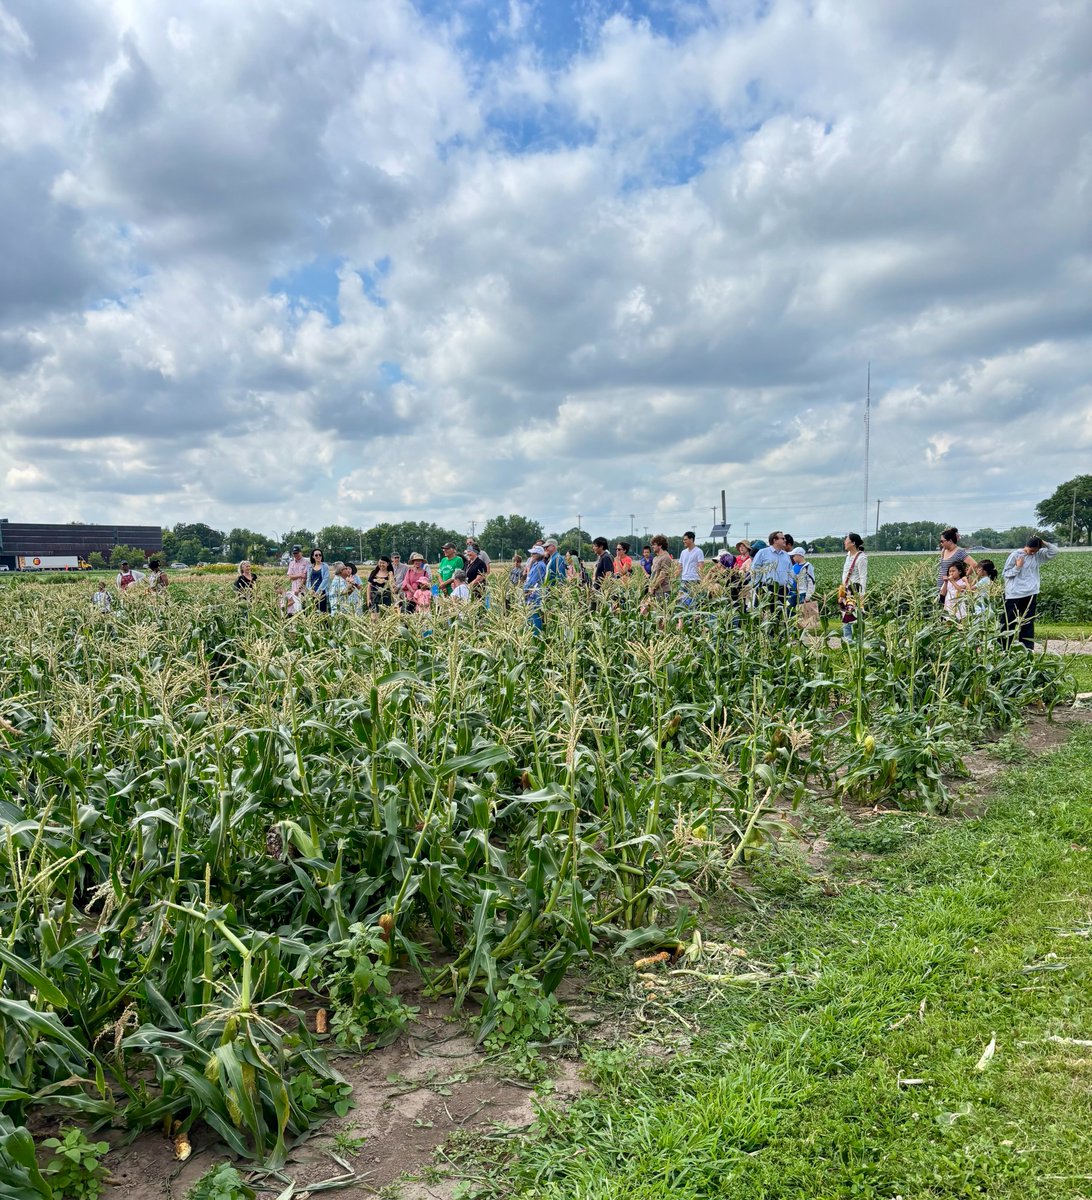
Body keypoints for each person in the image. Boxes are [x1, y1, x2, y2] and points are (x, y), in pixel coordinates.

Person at [1002, 536, 1058, 649]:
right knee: (1009, 622)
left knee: (1027, 622)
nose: (1032, 553)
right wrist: (1017, 568)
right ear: (1026, 546)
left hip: (1031, 593)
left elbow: (1054, 551)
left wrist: (1043, 542)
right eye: (1031, 550)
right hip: (1014, 594)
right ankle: (1004, 647)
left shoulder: (1037, 555)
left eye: (1035, 551)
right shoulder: (1015, 555)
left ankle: (1027, 648)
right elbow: (1006, 574)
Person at [750, 532, 793, 606]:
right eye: (782, 538)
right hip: (766, 588)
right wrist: (758, 585)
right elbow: (754, 569)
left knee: (780, 614)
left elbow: (790, 572)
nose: (785, 540)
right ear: (775, 540)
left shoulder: (786, 555)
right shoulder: (763, 553)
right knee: (764, 613)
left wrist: (789, 586)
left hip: (782, 590)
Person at [937, 529, 977, 607]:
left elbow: (974, 564)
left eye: (942, 541)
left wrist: (966, 576)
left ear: (950, 541)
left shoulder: (959, 552)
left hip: (952, 588)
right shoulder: (944, 551)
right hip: (942, 586)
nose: (941, 543)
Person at [839, 533, 867, 640]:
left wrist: (862, 594)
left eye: (846, 540)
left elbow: (863, 577)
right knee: (845, 615)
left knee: (850, 616)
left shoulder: (861, 558)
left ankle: (851, 640)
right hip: (846, 590)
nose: (844, 542)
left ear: (853, 543)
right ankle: (848, 640)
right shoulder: (848, 556)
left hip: (854, 590)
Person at [641, 534, 673, 613]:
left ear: (660, 545)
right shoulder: (655, 558)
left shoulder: (666, 557)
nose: (652, 547)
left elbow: (662, 576)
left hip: (662, 591)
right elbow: (653, 574)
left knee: (660, 615)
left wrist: (653, 587)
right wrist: (650, 587)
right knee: (644, 611)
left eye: (654, 544)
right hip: (653, 590)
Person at [523, 544, 547, 632]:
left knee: (535, 618)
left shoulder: (540, 566)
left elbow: (532, 581)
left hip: (535, 596)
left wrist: (525, 590)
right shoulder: (535, 564)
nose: (532, 555)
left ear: (539, 555)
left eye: (534, 554)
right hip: (531, 595)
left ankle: (536, 635)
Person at [678, 531, 704, 607]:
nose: (684, 541)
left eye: (685, 539)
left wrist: (702, 580)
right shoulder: (683, 552)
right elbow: (680, 566)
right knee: (682, 602)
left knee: (694, 601)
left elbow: (701, 566)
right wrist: (673, 577)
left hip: (694, 580)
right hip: (684, 580)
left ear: (691, 539)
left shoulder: (698, 551)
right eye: (684, 539)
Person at [307, 549, 331, 613]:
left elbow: (325, 579)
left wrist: (318, 592)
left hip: (321, 593)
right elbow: (308, 580)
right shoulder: (310, 567)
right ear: (313, 557)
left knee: (322, 612)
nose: (318, 556)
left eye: (320, 555)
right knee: (313, 612)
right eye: (316, 555)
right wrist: (310, 590)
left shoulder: (325, 566)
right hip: (312, 593)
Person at [285, 545, 308, 609]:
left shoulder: (306, 562)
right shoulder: (291, 563)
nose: (296, 555)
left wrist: (299, 589)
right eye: (294, 553)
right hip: (293, 589)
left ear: (301, 552)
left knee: (302, 608)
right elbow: (290, 577)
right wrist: (300, 575)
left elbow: (305, 577)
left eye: (297, 553)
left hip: (302, 590)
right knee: (295, 609)